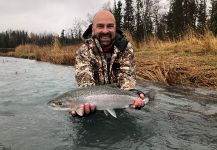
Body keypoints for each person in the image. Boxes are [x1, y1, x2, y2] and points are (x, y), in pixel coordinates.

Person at [71, 10, 145, 117]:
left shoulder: (125, 48)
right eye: (100, 26)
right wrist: (83, 103)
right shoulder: (84, 51)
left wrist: (132, 92)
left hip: (118, 99)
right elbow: (85, 81)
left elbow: (127, 78)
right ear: (93, 28)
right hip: (94, 103)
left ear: (115, 28)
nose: (105, 31)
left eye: (110, 26)